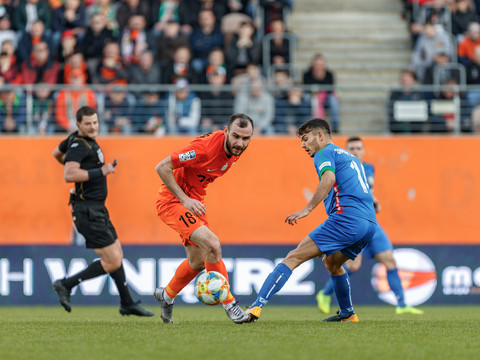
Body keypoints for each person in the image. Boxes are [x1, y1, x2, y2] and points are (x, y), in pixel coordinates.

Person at [245, 118, 377, 323]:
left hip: (347, 219)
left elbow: (328, 179)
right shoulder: (351, 157)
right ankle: (348, 314)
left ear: (320, 135)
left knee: (293, 257)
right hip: (369, 224)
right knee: (332, 263)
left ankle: (255, 308)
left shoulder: (325, 153)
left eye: (306, 139)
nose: (303, 145)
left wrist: (307, 209)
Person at [51, 106, 153, 317]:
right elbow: (69, 174)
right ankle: (66, 284)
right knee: (113, 260)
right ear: (78, 124)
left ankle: (127, 303)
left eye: (95, 122)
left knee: (117, 253)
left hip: (97, 208)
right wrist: (101, 171)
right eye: (88, 123)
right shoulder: (79, 144)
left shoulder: (74, 140)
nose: (93, 127)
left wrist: (78, 167)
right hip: (87, 211)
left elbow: (57, 154)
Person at [153, 113, 254, 324]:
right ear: (226, 131)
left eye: (246, 138)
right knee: (213, 244)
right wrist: (184, 199)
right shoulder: (205, 149)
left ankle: (167, 296)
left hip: (195, 200)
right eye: (235, 136)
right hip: (174, 201)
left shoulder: (237, 149)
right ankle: (231, 305)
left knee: (198, 262)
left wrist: (191, 199)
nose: (240, 143)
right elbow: (161, 167)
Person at [316, 136, 424, 316]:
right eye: (352, 148)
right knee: (353, 266)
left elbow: (368, 188)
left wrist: (374, 201)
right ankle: (325, 294)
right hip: (352, 223)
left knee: (389, 259)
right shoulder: (341, 169)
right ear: (345, 150)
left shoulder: (367, 167)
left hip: (370, 221)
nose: (355, 151)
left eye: (359, 148)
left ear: (364, 151)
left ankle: (402, 305)